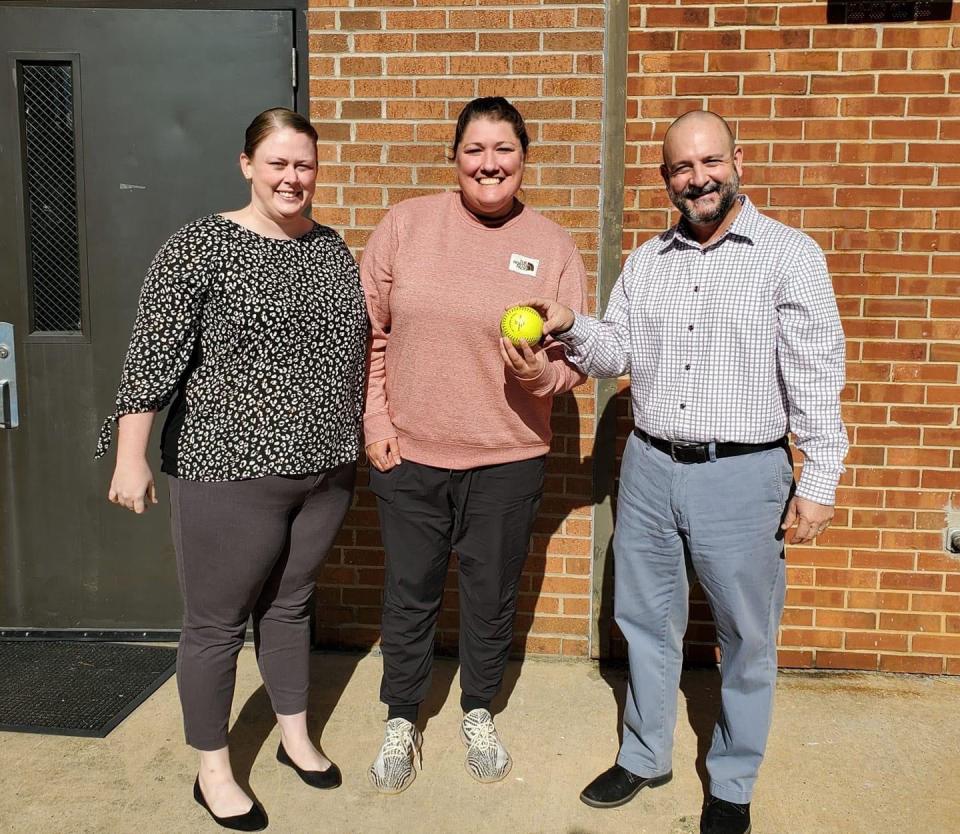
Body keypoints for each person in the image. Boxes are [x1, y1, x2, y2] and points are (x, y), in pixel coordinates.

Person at [524, 110, 847, 834]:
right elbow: (615, 354)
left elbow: (816, 375)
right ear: (665, 176)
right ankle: (644, 755)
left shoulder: (789, 256)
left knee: (746, 637)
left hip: (743, 475)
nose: (697, 178)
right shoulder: (648, 261)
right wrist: (571, 323)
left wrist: (820, 480)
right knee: (643, 621)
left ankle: (731, 783)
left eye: (710, 162)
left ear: (738, 161)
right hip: (648, 467)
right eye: (680, 167)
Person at [95, 108, 367, 831]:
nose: (292, 177)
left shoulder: (333, 250)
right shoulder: (199, 246)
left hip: (327, 470)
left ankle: (295, 736)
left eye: (303, 164)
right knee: (215, 626)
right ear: (246, 164)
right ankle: (212, 768)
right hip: (228, 469)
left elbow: (355, 356)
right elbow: (153, 353)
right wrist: (131, 456)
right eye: (277, 163)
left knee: (291, 606)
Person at [360, 96, 588, 794]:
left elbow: (580, 351)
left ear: (524, 157)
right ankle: (402, 717)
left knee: (490, 596)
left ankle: (478, 709)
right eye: (474, 151)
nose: (489, 164)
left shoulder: (552, 244)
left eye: (504, 150)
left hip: (508, 457)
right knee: (409, 593)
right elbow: (368, 337)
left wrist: (545, 375)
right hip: (412, 456)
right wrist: (377, 426)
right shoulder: (404, 226)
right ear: (455, 158)